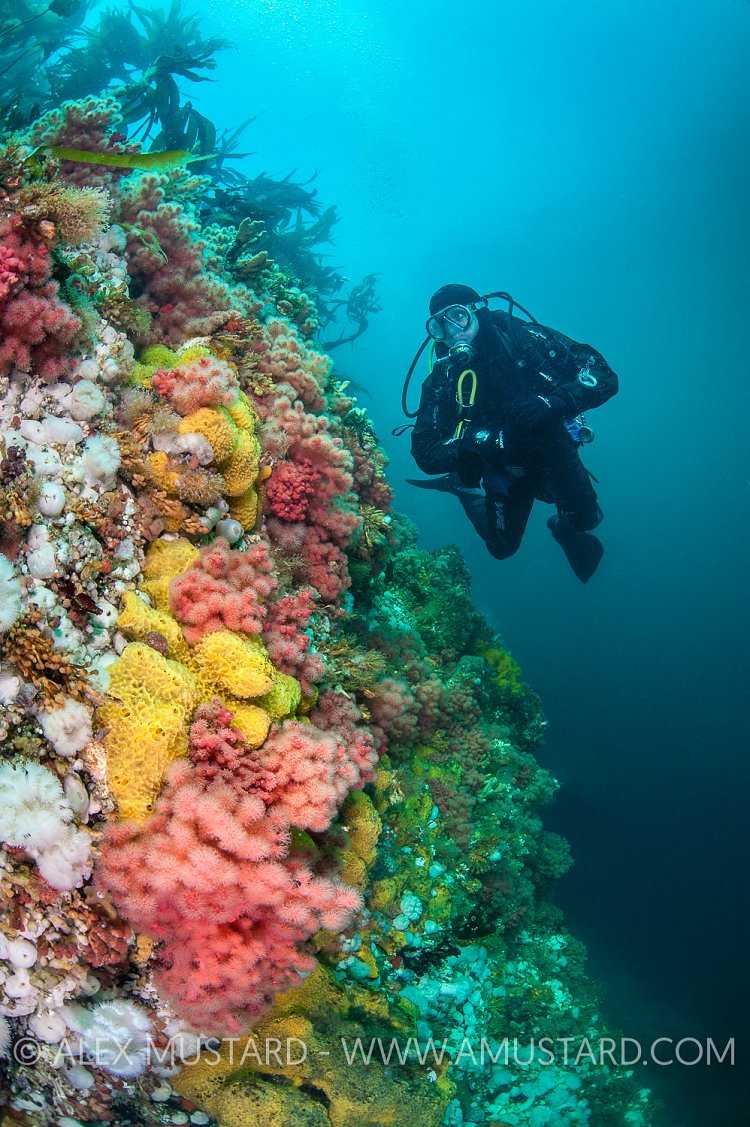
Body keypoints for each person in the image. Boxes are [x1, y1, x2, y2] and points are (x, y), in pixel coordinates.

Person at [408, 284, 618, 582]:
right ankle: (463, 489)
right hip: (501, 470)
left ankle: (562, 527)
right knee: (502, 547)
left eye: (457, 316)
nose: (452, 331)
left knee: (588, 520)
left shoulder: (523, 339)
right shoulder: (445, 376)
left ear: (477, 311)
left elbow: (603, 375)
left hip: (553, 451)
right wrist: (475, 445)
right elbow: (424, 450)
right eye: (440, 326)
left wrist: (553, 403)